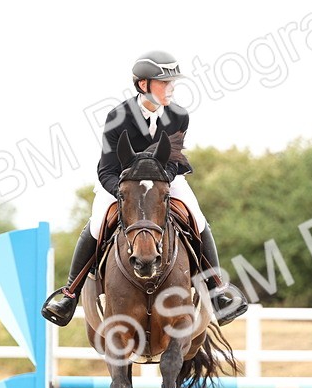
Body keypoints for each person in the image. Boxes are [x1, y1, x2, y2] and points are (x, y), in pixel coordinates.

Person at [41, 50, 245, 328]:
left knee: (198, 220)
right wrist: (127, 194)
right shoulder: (118, 117)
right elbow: (106, 169)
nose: (171, 88)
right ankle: (69, 294)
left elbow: (174, 161)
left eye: (173, 83)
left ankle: (217, 291)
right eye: (165, 83)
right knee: (97, 223)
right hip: (120, 183)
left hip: (165, 182)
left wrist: (161, 185)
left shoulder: (179, 116)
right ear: (143, 85)